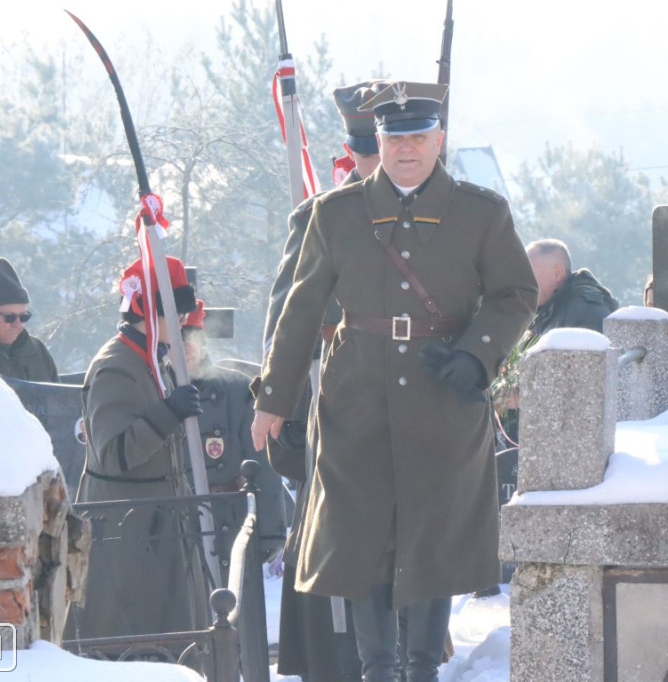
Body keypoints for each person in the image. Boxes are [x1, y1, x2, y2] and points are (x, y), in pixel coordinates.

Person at [252, 81, 539, 682]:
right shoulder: (335, 213)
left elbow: (516, 293)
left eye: (418, 137)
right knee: (362, 539)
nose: (407, 149)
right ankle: (376, 668)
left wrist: (476, 356)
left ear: (439, 140)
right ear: (377, 141)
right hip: (354, 398)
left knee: (432, 536)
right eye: (395, 138)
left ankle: (421, 670)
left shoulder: (481, 212)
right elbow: (300, 309)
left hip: (445, 400)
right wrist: (273, 400)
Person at [261, 79, 389, 682]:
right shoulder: (319, 218)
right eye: (367, 152)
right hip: (337, 410)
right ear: (353, 153)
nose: (376, 163)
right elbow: (285, 321)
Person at [73, 255, 208, 639]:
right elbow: (115, 455)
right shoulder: (116, 367)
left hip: (157, 527)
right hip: (126, 535)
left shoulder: (153, 360)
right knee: (127, 640)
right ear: (147, 311)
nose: (185, 319)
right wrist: (168, 413)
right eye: (175, 310)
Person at [181, 299, 288, 566]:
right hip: (180, 526)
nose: (184, 350)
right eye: (175, 343)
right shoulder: (157, 392)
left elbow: (261, 462)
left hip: (230, 521)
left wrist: (271, 534)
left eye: (189, 341)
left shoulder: (237, 389)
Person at [494, 239, 618, 448]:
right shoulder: (546, 310)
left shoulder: (586, 313)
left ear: (558, 273)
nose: (522, 282)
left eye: (529, 273)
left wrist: (519, 396)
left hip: (571, 445)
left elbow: (583, 385)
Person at [0, 257, 59, 382]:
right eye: (10, 318)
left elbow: (57, 398)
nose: (18, 324)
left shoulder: (38, 351)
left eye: (24, 317)